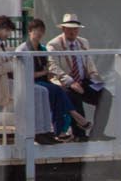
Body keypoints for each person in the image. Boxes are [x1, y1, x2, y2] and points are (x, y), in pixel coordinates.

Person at [48, 13, 112, 141]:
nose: (73, 32)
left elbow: (89, 64)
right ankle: (79, 135)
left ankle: (97, 132)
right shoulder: (54, 45)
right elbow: (52, 66)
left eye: (75, 29)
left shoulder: (83, 42)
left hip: (83, 81)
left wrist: (97, 81)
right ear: (63, 29)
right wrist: (70, 81)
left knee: (105, 95)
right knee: (72, 96)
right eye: (70, 28)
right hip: (65, 82)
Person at [25, 18, 80, 143]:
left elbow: (50, 66)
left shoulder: (42, 49)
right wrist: (44, 72)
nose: (39, 34)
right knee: (55, 91)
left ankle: (58, 131)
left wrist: (54, 76)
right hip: (30, 82)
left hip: (43, 81)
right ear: (30, 31)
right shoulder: (24, 49)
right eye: (36, 30)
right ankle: (73, 119)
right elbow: (25, 74)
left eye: (41, 31)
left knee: (61, 91)